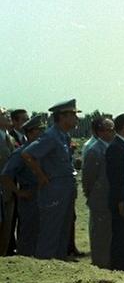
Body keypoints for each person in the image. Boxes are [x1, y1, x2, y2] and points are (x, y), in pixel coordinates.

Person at [21, 99, 81, 259]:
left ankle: (58, 264)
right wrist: (41, 176)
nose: (77, 119)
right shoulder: (51, 136)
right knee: (51, 231)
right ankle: (45, 265)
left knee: (63, 229)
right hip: (54, 188)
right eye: (74, 115)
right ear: (63, 116)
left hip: (66, 187)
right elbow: (27, 154)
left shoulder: (64, 136)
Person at [0, 114, 47, 256]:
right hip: (30, 197)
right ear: (32, 132)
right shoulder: (21, 153)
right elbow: (5, 175)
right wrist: (18, 192)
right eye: (40, 130)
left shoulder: (42, 151)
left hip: (44, 195)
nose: (43, 133)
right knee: (29, 232)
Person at [81, 117, 115, 268]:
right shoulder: (95, 150)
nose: (111, 133)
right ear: (100, 132)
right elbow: (88, 178)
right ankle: (100, 263)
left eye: (113, 129)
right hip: (99, 198)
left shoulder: (110, 147)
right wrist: (91, 195)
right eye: (108, 130)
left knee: (108, 233)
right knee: (100, 234)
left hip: (109, 198)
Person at [106, 113, 124, 271]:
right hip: (120, 202)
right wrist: (121, 201)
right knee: (120, 236)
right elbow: (116, 179)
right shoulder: (116, 147)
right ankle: (118, 268)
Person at [0, 107, 17, 255]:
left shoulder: (9, 138)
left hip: (9, 190)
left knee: (7, 228)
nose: (8, 116)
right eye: (4, 114)